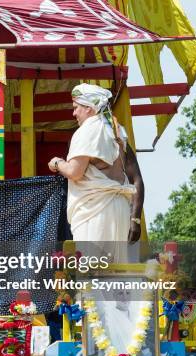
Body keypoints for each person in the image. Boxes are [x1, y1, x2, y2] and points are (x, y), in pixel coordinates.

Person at [47, 83, 144, 246]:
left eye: (76, 107)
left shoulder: (88, 130)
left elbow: (75, 172)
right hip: (120, 210)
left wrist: (57, 163)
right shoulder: (117, 131)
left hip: (97, 212)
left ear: (89, 108)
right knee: (114, 270)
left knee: (93, 270)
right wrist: (135, 218)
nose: (74, 113)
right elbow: (136, 178)